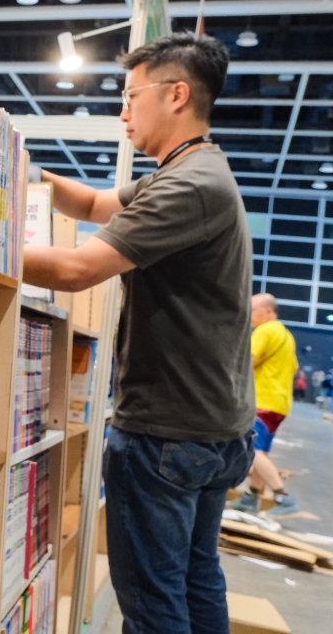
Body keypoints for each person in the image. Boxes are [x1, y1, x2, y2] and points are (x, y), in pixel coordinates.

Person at [23, 33, 254, 634]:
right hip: (211, 428)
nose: (123, 111)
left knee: (154, 606)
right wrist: (19, 168)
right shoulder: (192, 172)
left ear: (176, 95)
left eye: (131, 96)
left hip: (166, 433)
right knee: (196, 581)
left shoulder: (187, 187)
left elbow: (76, 271)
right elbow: (92, 204)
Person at [231, 294, 299, 515]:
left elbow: (245, 362)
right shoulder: (285, 335)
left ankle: (283, 497)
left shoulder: (265, 331)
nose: (249, 314)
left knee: (253, 449)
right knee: (261, 450)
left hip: (262, 402)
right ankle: (251, 497)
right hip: (279, 404)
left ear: (269, 311)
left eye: (253, 309)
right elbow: (294, 369)